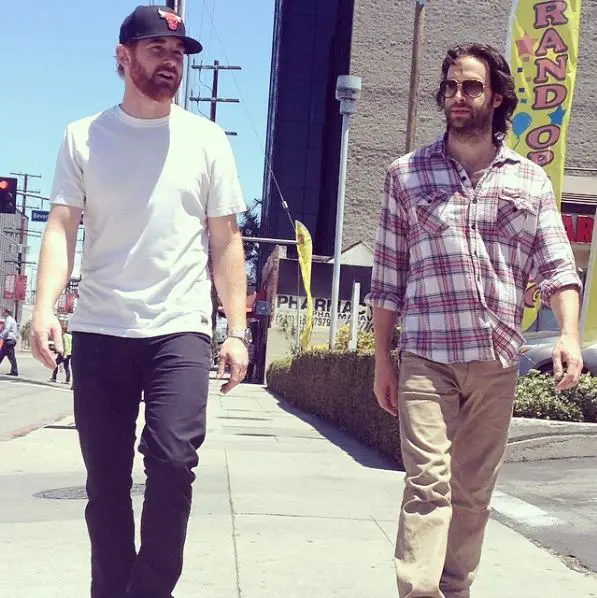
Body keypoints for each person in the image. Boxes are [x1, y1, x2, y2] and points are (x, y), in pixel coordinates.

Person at [30, 5, 250, 598]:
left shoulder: (205, 141)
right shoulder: (83, 136)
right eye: (157, 50)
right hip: (102, 329)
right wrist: (44, 305)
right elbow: (61, 225)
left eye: (177, 53)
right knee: (105, 482)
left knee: (174, 464)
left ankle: (148, 590)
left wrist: (236, 330)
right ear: (123, 57)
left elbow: (226, 239)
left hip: (179, 328)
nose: (170, 62)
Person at [367, 43, 583, 598]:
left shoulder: (530, 181)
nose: (457, 97)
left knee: (472, 491)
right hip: (425, 357)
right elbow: (388, 277)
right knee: (427, 484)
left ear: (498, 97)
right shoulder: (406, 175)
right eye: (451, 86)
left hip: (495, 360)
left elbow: (558, 265)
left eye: (471, 87)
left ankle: (454, 586)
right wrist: (381, 361)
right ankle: (418, 592)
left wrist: (568, 334)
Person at [0, 307, 19, 376]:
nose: (2, 313)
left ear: (7, 313)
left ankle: (14, 371)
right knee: (11, 356)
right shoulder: (12, 320)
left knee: (1, 354)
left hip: (9, 340)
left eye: (3, 312)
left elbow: (7, 329)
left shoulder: (8, 320)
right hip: (12, 340)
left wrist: (1, 336)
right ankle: (14, 371)